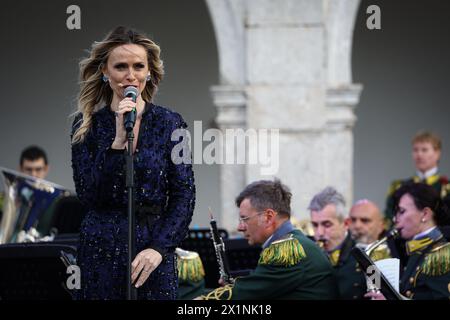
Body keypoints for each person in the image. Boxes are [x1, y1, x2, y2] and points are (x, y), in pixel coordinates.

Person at [71, 26, 195, 300]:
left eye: (138, 66)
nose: (131, 75)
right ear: (105, 72)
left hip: (151, 249)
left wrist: (159, 249)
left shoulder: (170, 123)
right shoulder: (87, 125)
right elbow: (88, 194)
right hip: (101, 247)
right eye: (121, 66)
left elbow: (183, 194)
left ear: (149, 72)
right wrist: (116, 144)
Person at [201, 179, 337, 300]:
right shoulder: (294, 243)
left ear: (268, 217)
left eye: (244, 219)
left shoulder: (287, 250)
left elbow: (245, 295)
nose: (240, 227)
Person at [366, 183, 450, 300]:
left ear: (425, 214)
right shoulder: (416, 249)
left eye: (402, 211)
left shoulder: (442, 253)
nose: (395, 219)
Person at [309, 187, 389, 299]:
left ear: (346, 223)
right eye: (315, 225)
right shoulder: (306, 252)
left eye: (327, 224)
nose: (319, 233)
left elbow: (383, 294)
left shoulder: (367, 255)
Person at [385, 131, 450, 223]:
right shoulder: (399, 186)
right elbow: (389, 217)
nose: (419, 155)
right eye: (415, 150)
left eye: (424, 150)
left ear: (437, 153)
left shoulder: (446, 188)